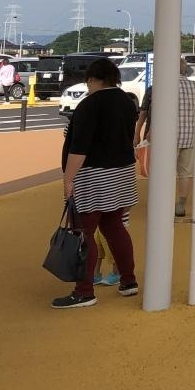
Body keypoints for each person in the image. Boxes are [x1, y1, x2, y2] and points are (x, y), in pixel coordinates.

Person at [54, 57, 139, 308]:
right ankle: (128, 280)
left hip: (94, 175)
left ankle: (84, 291)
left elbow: (79, 147)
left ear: (92, 79)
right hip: (122, 173)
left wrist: (68, 179)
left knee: (83, 231)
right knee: (115, 226)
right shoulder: (126, 101)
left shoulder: (89, 104)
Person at [135, 59, 195, 217]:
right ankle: (181, 205)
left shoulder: (163, 86)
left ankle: (163, 203)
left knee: (164, 172)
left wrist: (150, 131)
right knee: (185, 173)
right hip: (190, 135)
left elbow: (158, 112)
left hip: (167, 137)